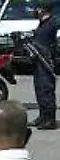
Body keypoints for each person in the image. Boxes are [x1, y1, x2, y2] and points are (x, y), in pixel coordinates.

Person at [30, 0, 60, 129]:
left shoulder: (54, 22)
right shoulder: (42, 23)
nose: (34, 11)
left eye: (36, 8)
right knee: (39, 89)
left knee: (46, 89)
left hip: (47, 61)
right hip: (38, 60)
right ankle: (42, 116)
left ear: (42, 9)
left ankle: (49, 119)